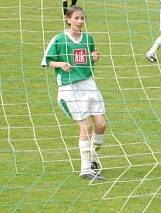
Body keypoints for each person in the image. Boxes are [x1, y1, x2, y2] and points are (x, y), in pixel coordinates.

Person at [41, 5, 106, 180]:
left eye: (82, 18)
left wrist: (95, 57)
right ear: (68, 19)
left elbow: (91, 56)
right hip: (70, 88)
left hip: (89, 84)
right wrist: (61, 64)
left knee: (101, 124)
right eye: (76, 18)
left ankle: (92, 158)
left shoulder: (88, 38)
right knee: (86, 126)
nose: (80, 21)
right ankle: (85, 169)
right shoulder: (59, 39)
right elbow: (46, 60)